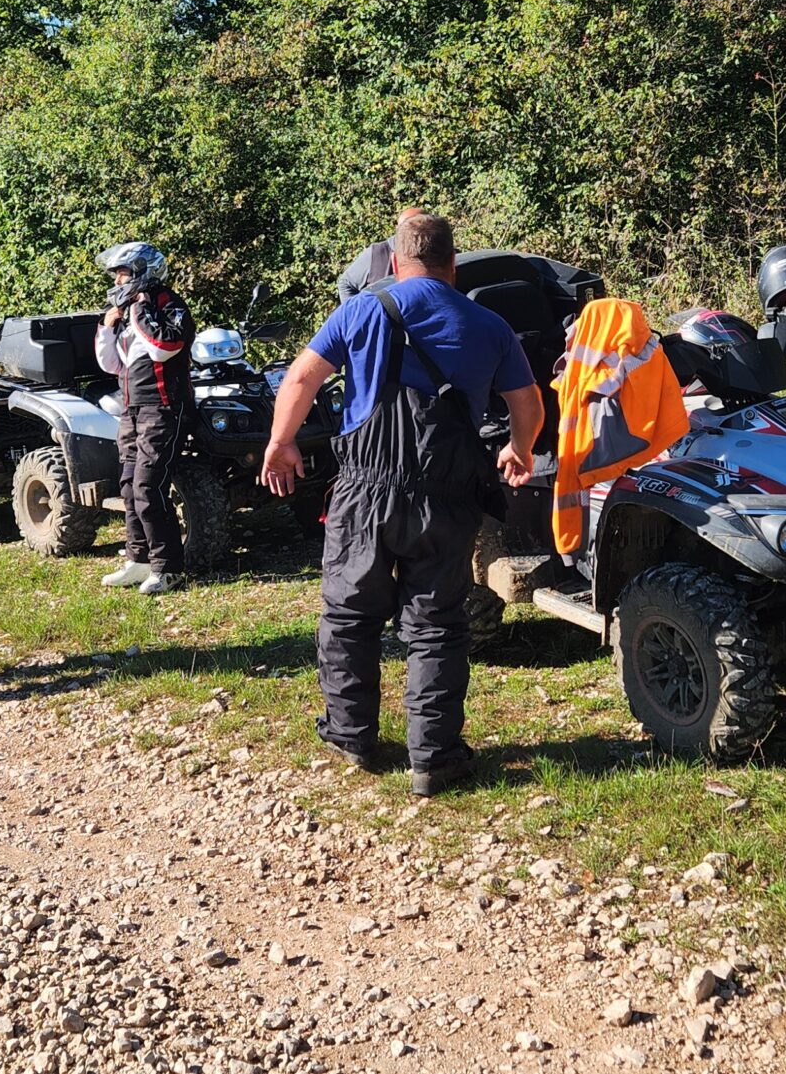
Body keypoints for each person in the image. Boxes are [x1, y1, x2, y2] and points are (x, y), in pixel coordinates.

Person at [263, 212, 543, 796]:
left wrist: (281, 442)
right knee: (437, 624)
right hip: (446, 494)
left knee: (349, 614)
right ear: (452, 265)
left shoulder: (361, 309)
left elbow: (301, 379)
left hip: (364, 490)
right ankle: (434, 759)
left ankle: (351, 735)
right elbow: (527, 402)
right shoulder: (489, 324)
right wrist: (519, 450)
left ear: (395, 262)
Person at [94, 242, 194, 595]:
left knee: (149, 487)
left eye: (122, 274)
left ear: (141, 273)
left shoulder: (167, 304)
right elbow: (111, 364)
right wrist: (107, 327)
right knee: (128, 486)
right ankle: (139, 560)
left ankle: (169, 569)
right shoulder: (128, 312)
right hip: (132, 409)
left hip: (163, 407)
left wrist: (139, 311)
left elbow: (165, 347)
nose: (117, 282)